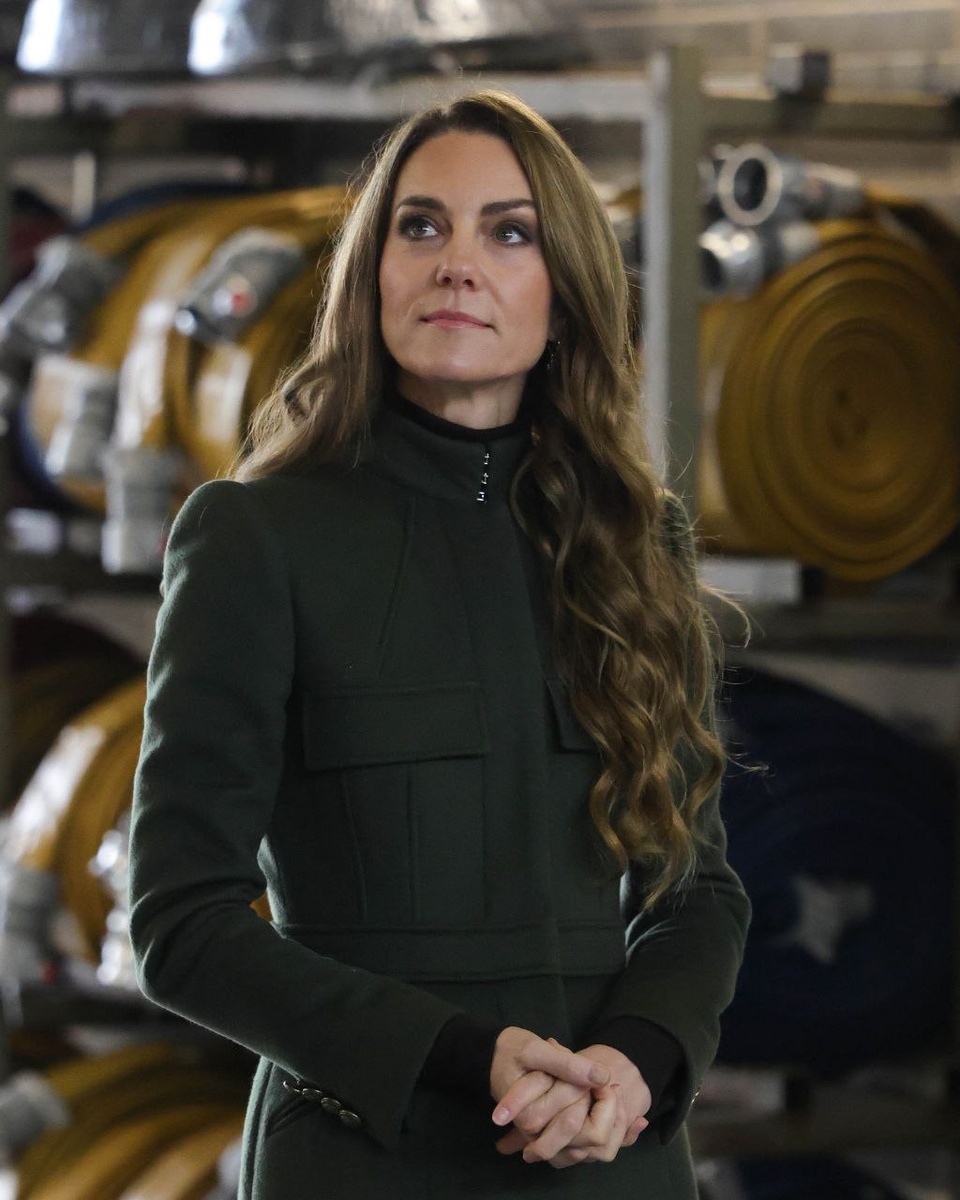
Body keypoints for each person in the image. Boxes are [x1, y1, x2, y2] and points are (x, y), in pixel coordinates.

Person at [128, 89, 750, 1199]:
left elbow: (697, 891)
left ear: (565, 294)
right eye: (421, 226)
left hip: (610, 1154)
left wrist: (641, 1060)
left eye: (509, 233)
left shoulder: (635, 541)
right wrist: (463, 1058)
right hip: (364, 1152)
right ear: (372, 273)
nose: (458, 264)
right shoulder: (255, 538)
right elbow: (182, 926)